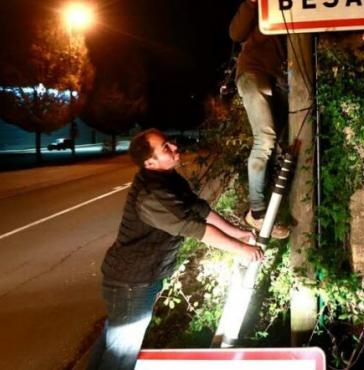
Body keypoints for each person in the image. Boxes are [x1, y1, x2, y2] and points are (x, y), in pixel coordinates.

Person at [88, 128, 263, 370]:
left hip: (137, 279)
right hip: (131, 284)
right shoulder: (152, 195)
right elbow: (195, 228)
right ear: (150, 162)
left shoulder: (167, 178)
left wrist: (238, 233)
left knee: (113, 340)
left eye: (170, 142)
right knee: (120, 355)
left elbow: (200, 210)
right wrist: (240, 249)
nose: (175, 148)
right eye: (166, 149)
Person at [230, 0, 364, 238]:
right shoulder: (265, 5)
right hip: (254, 73)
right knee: (265, 139)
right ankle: (257, 213)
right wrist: (253, 0)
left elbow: (329, 44)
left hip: (282, 83)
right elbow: (235, 33)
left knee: (279, 142)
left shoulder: (308, 10)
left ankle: (267, 206)